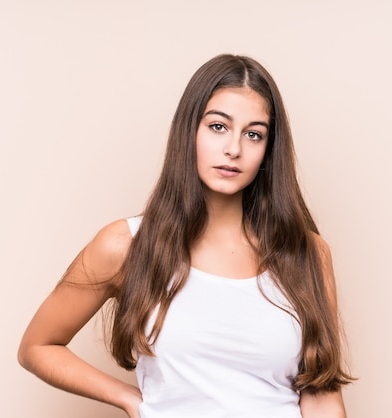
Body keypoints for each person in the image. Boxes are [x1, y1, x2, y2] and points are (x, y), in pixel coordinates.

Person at [18, 54, 353, 418]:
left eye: (253, 134)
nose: (233, 149)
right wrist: (131, 399)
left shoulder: (307, 253)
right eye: (218, 127)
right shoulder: (127, 245)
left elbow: (321, 395)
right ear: (188, 129)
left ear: (267, 152)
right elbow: (37, 346)